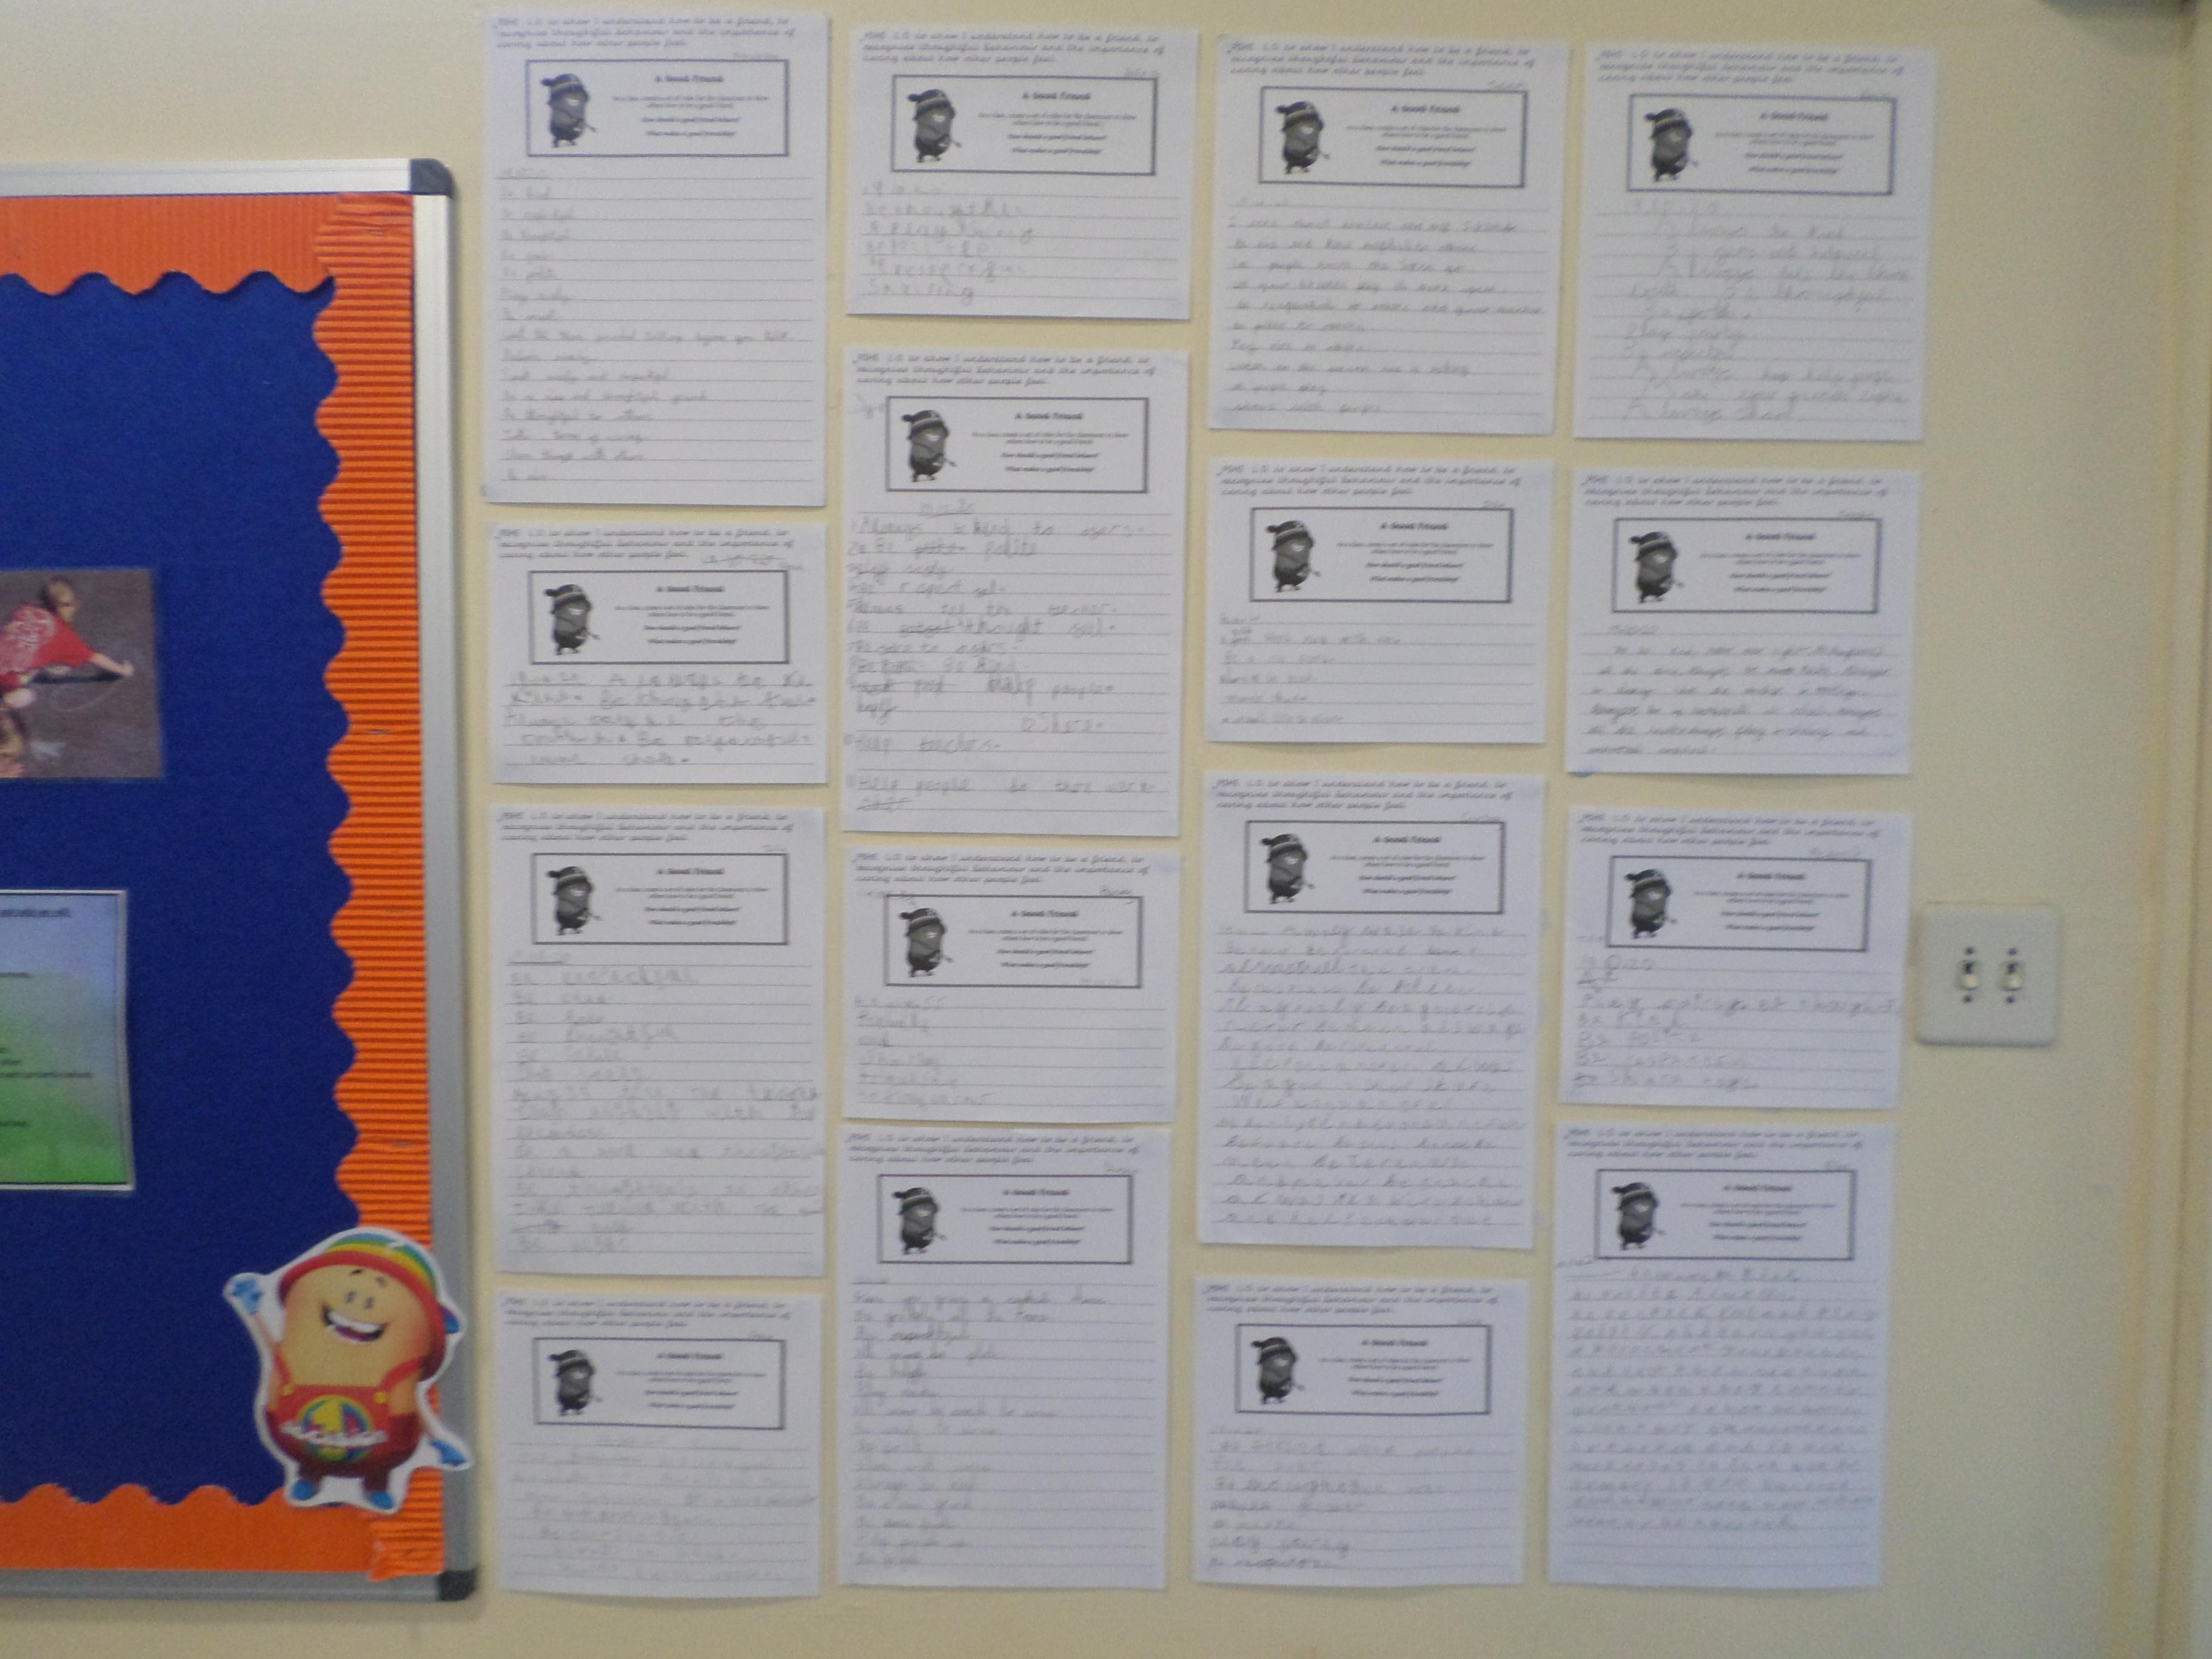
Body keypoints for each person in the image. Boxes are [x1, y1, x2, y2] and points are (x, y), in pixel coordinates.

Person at [0, 578, 135, 709]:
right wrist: (122, 670)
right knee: (26, 695)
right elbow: (95, 658)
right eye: (73, 604)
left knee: (28, 661)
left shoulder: (25, 610)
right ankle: (4, 703)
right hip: (5, 679)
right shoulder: (66, 639)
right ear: (66, 606)